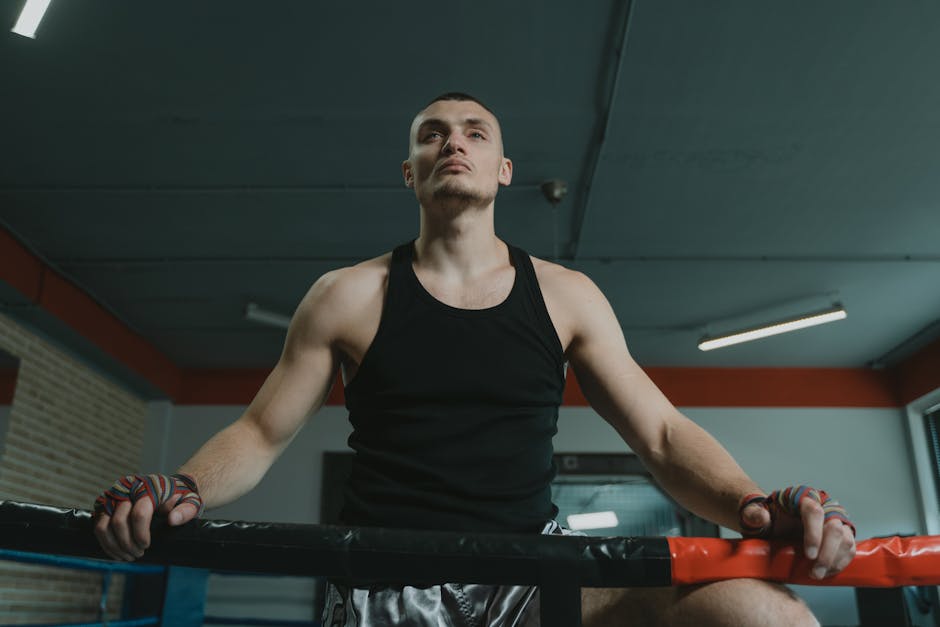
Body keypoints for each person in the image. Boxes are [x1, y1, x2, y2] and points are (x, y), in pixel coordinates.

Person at [93, 93, 856, 626]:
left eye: (474, 132)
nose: (452, 141)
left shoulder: (567, 296)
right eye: (432, 133)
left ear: (503, 171)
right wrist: (183, 483)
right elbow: (261, 433)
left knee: (762, 614)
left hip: (533, 574)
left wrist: (754, 504)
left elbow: (660, 433)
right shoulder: (346, 295)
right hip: (385, 582)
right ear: (409, 172)